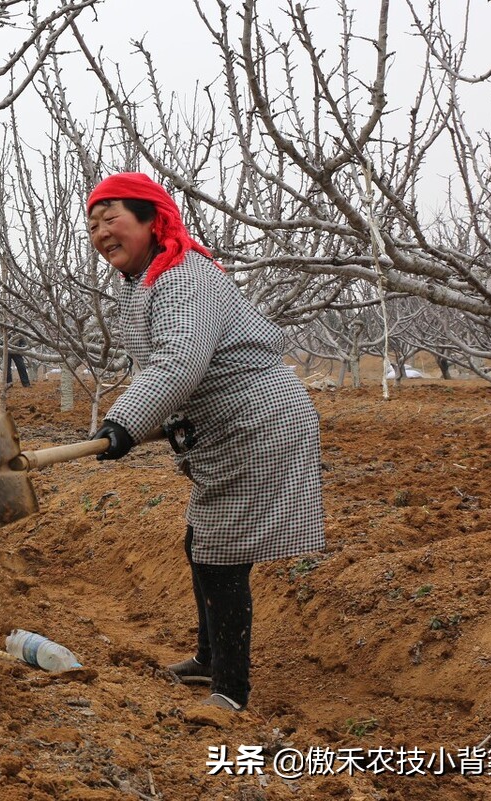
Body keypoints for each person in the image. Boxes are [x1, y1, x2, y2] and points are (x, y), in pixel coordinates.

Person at [84, 172, 324, 713]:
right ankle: (209, 658)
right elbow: (163, 371)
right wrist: (125, 428)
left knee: (220, 554)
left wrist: (124, 421)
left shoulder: (183, 276)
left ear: (151, 219)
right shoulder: (146, 282)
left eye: (112, 218)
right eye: (94, 225)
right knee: (203, 543)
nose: (101, 233)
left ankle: (230, 691)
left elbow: (179, 363)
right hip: (224, 427)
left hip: (257, 423)